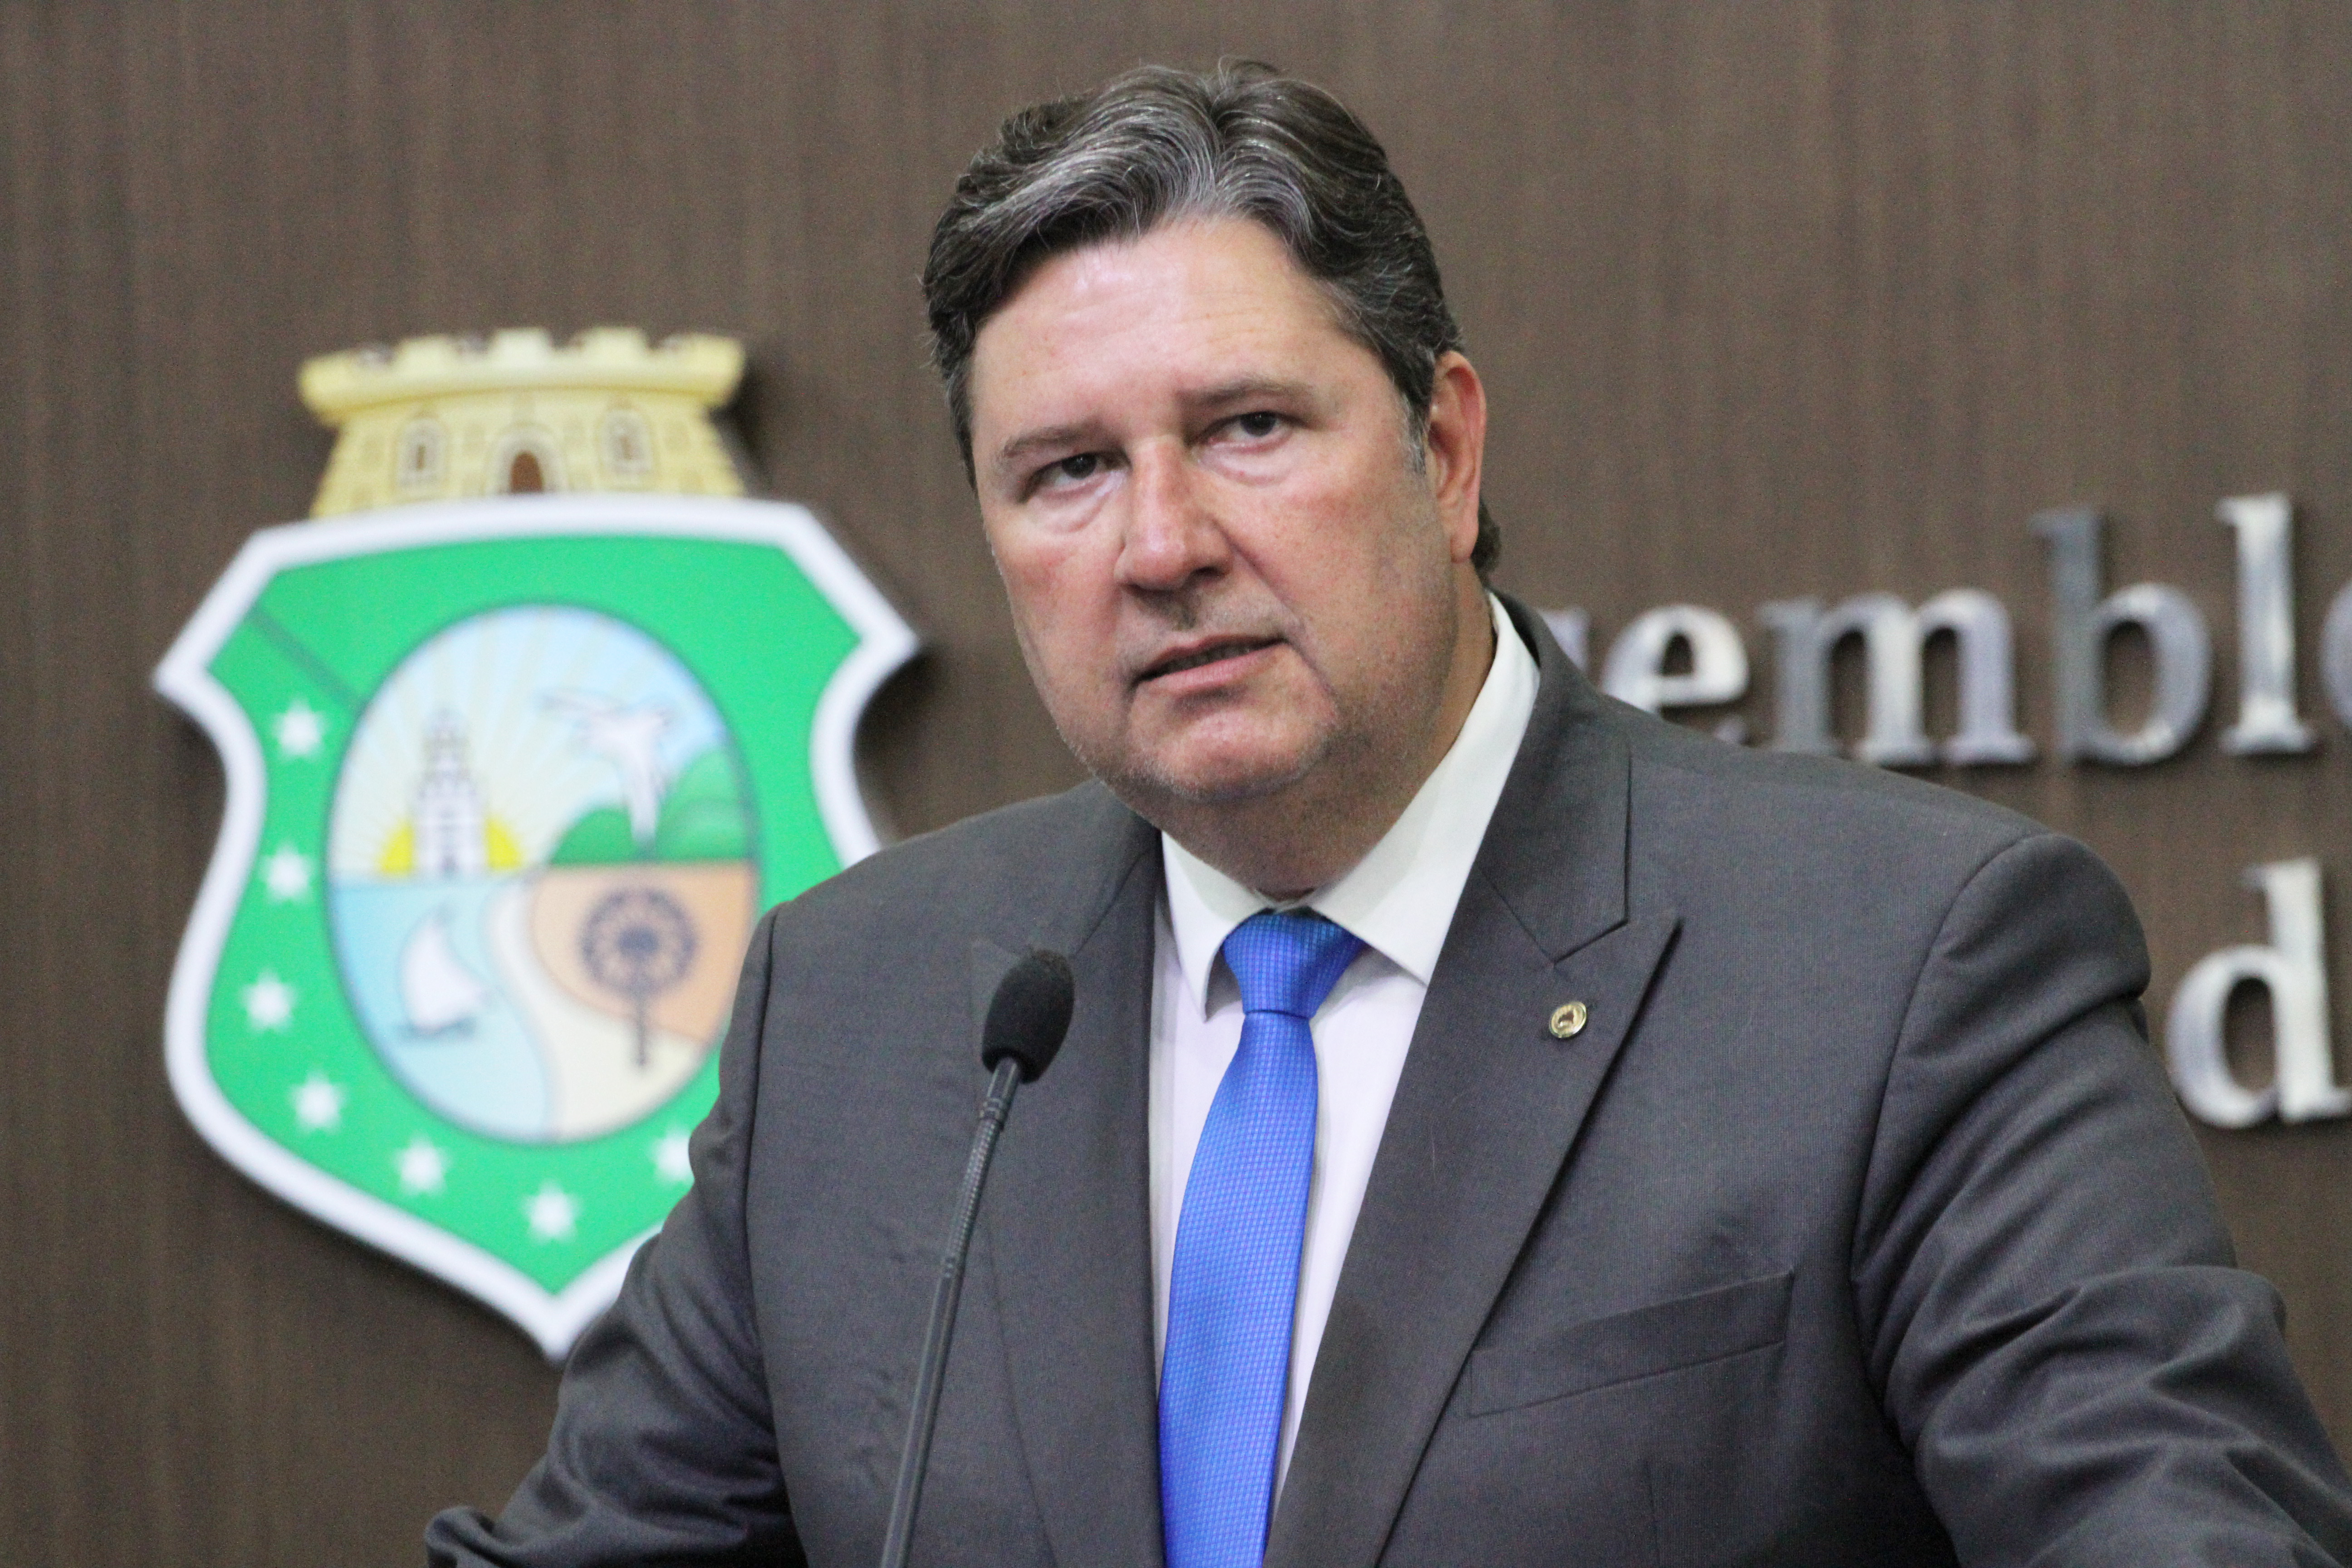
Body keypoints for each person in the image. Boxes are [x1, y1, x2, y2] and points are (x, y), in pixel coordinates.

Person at [429, 62, 2352, 1567]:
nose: (1162, 545)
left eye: (1248, 429)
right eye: (1068, 471)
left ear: (1443, 449)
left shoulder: (1900, 966)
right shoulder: (871, 1014)